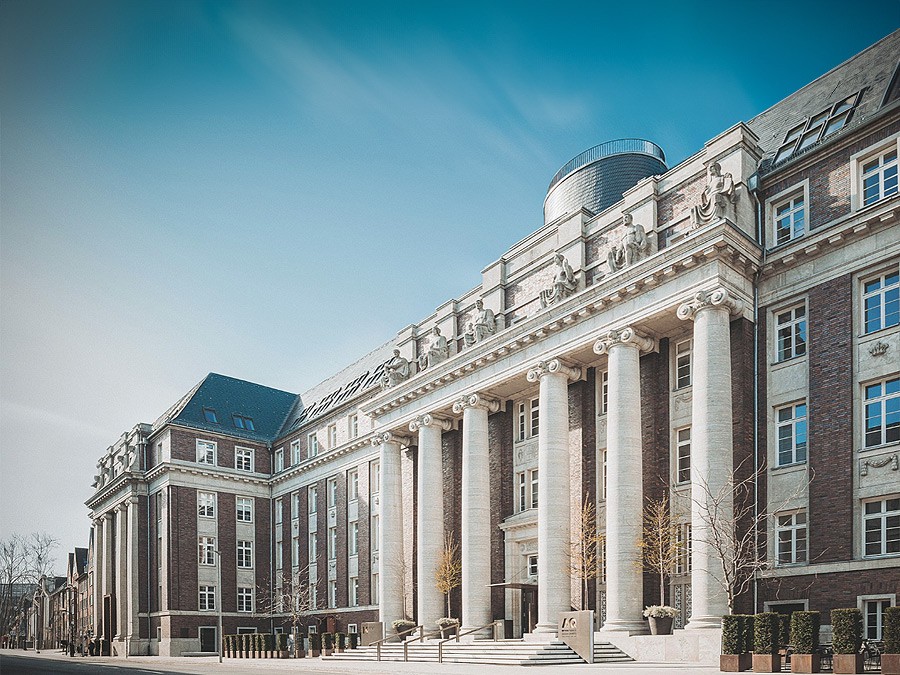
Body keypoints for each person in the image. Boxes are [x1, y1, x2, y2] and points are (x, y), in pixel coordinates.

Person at [691, 161, 735, 226]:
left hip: (718, 196)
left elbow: (728, 188)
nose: (710, 169)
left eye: (712, 167)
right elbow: (705, 199)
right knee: (694, 208)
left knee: (715, 197)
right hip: (709, 202)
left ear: (716, 168)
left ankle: (716, 216)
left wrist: (728, 179)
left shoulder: (722, 178)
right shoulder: (709, 185)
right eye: (709, 168)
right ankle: (696, 224)